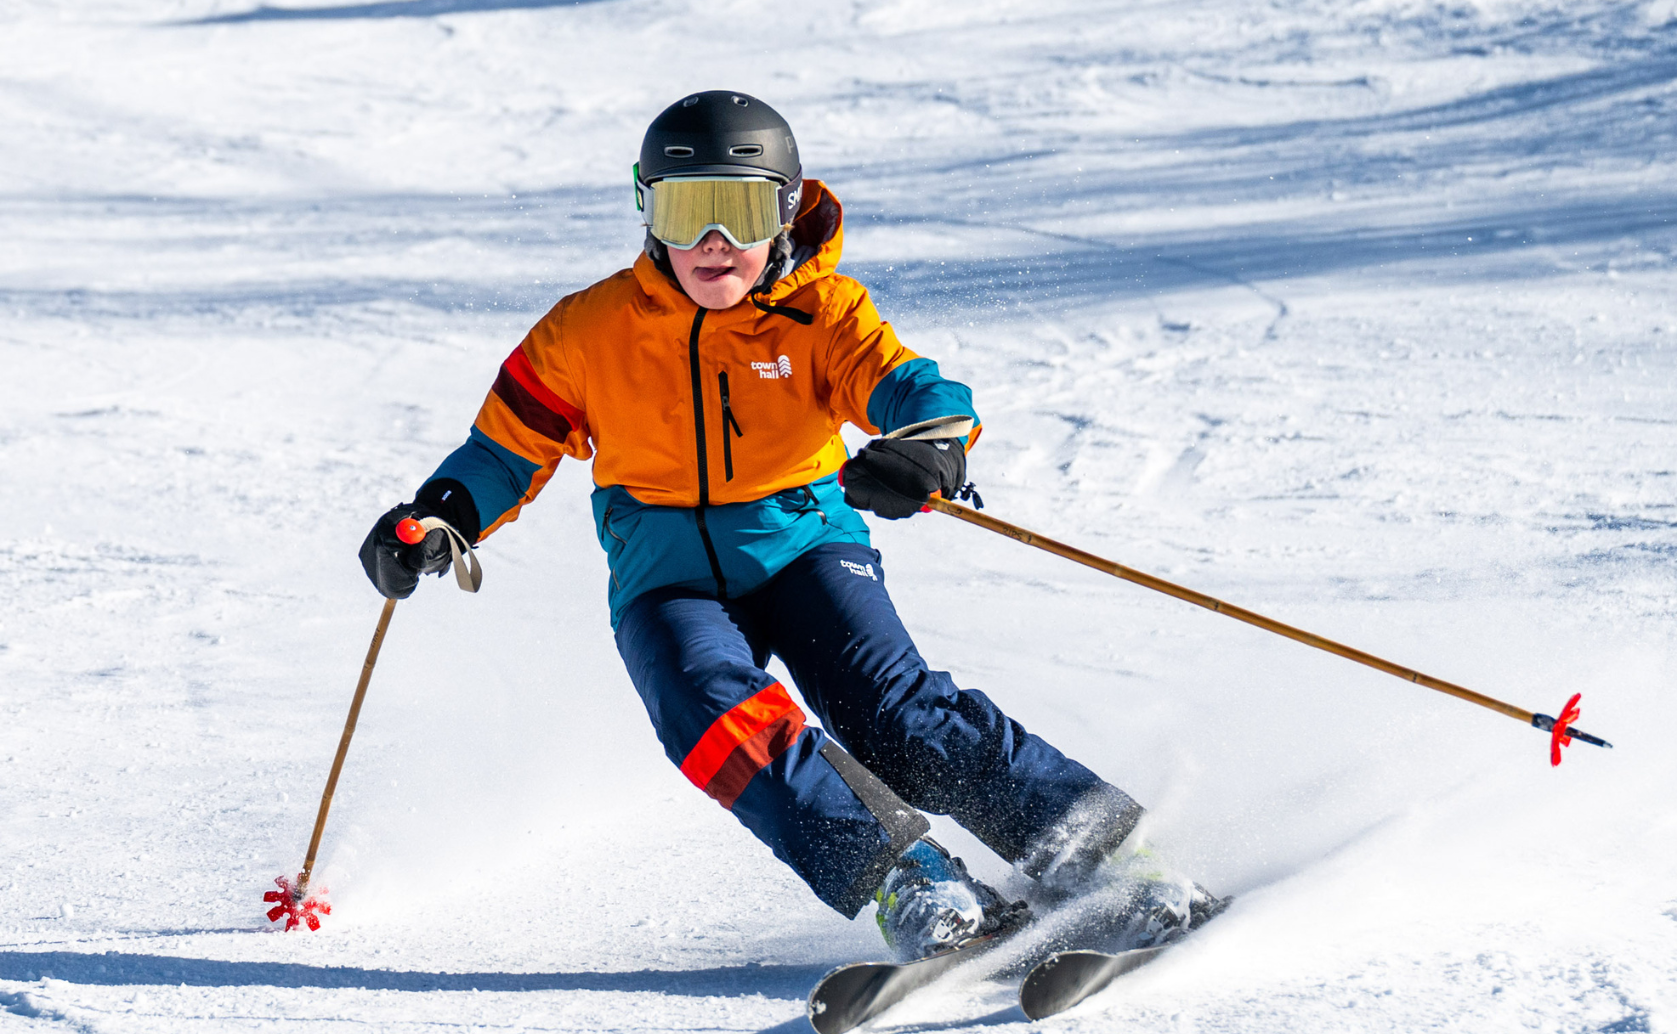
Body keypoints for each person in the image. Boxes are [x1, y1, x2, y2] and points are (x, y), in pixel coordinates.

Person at [359, 91, 1219, 960]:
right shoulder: (590, 331)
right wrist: (440, 516)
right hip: (666, 577)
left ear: (785, 209)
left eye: (738, 211)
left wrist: (928, 446)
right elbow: (504, 448)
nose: (712, 242)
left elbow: (910, 388)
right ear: (646, 210)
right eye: (685, 211)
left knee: (892, 714)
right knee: (710, 714)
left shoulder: (822, 312)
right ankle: (911, 880)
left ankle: (1101, 852)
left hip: (806, 547)